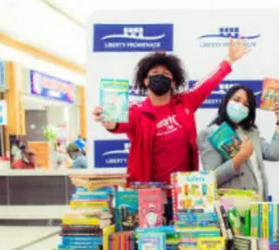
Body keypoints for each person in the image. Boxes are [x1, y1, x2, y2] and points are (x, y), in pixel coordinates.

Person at [93, 38, 252, 188]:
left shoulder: (186, 101)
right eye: (155, 72)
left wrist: (228, 60)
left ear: (174, 82)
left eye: (166, 74)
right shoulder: (135, 110)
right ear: (145, 80)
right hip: (147, 194)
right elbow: (118, 124)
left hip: (183, 193)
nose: (160, 76)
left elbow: (208, 82)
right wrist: (109, 121)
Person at [198, 85, 279, 200]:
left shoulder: (251, 133)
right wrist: (240, 157)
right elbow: (210, 180)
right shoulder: (212, 134)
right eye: (236, 100)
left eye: (246, 104)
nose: (240, 106)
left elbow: (274, 153)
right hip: (232, 208)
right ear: (226, 101)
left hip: (258, 205)